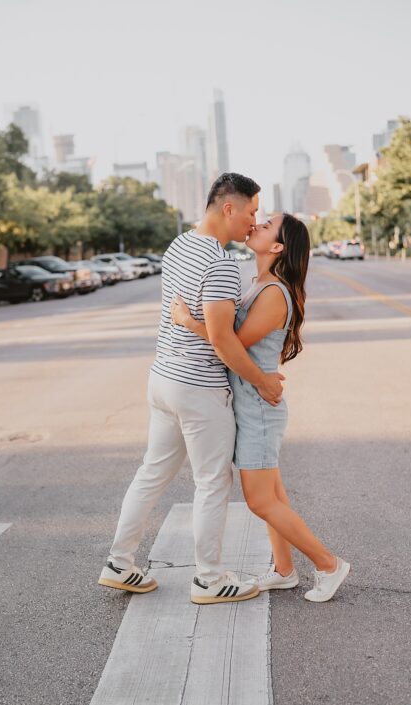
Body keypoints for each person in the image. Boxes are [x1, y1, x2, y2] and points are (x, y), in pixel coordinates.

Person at [97, 172, 284, 605]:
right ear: (229, 208)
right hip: (198, 388)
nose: (252, 223)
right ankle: (209, 579)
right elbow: (222, 339)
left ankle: (119, 562)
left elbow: (192, 320)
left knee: (151, 473)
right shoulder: (218, 263)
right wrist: (263, 383)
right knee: (212, 484)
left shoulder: (180, 245)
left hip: (162, 378)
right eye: (251, 212)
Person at [170, 213, 349, 602]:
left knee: (260, 500)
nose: (257, 224)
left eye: (266, 225)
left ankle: (329, 564)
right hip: (252, 404)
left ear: (278, 247)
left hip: (259, 410)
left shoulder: (273, 293)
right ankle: (284, 570)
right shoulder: (260, 284)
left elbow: (229, 342)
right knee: (275, 494)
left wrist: (187, 321)